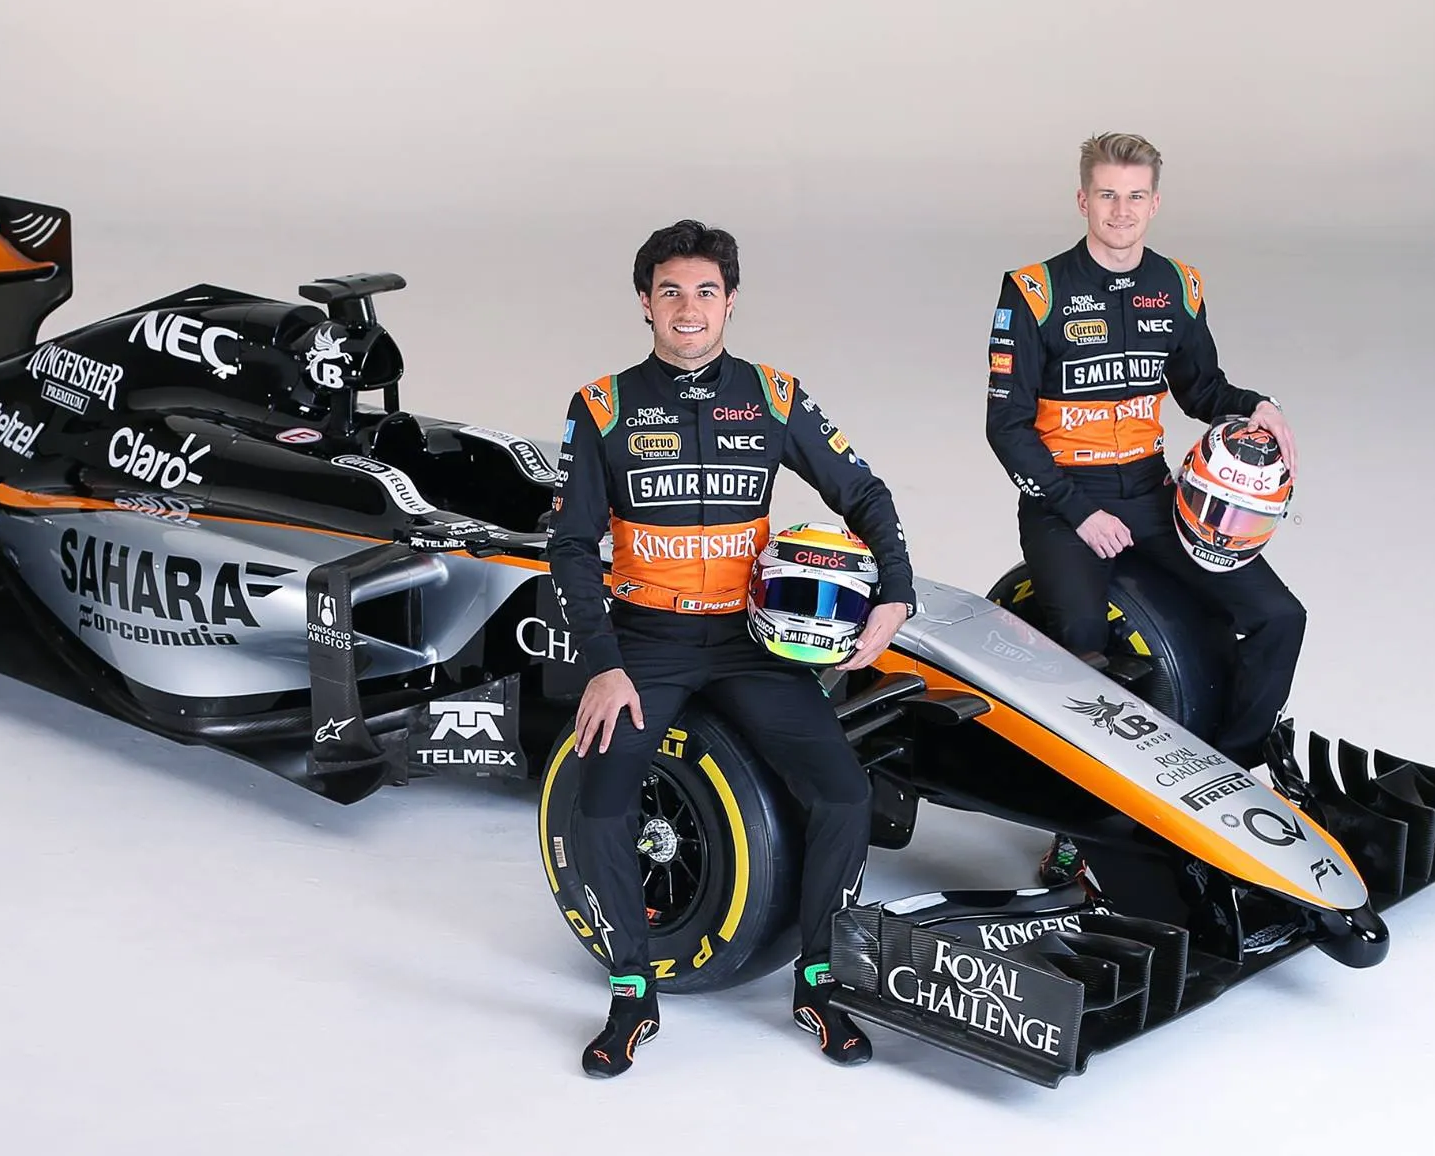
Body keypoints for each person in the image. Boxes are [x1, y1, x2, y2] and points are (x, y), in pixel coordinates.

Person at [545, 218, 917, 1078]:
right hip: (647, 639)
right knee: (599, 806)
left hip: (752, 640)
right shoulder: (601, 406)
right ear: (645, 303)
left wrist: (896, 590)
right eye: (671, 291)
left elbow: (863, 490)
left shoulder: (774, 395)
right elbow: (569, 546)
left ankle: (818, 980)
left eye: (706, 291)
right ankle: (633, 990)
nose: (689, 308)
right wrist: (603, 662)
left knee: (843, 793)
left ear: (731, 301)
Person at [982, 133, 1307, 884]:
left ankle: (1227, 777)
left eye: (1135, 196)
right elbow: (1006, 426)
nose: (1121, 210)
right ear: (1083, 199)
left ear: (1155, 203)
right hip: (1064, 504)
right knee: (1085, 660)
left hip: (1153, 493)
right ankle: (1074, 831)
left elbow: (1201, 389)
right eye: (1107, 194)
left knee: (1277, 616)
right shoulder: (1034, 290)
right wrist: (1076, 511)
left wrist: (1255, 403)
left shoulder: (1178, 285)